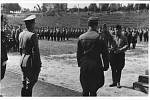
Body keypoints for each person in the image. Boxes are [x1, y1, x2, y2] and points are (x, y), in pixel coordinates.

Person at [77, 17, 109, 96]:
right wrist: (106, 66)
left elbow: (78, 53)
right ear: (96, 25)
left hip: (84, 65)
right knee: (93, 90)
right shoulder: (100, 37)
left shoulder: (81, 37)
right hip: (96, 65)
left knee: (85, 89)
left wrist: (80, 64)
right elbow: (105, 54)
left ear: (88, 25)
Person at [19, 15, 42, 96]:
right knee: (31, 82)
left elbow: (20, 49)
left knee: (24, 81)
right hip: (30, 61)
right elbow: (36, 52)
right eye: (34, 23)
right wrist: (38, 65)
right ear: (31, 24)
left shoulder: (21, 34)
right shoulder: (32, 35)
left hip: (22, 59)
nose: (34, 25)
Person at [1, 15, 8, 80]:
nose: (3, 23)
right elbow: (3, 48)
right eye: (2, 21)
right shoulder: (1, 34)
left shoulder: (2, 33)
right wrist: (4, 59)